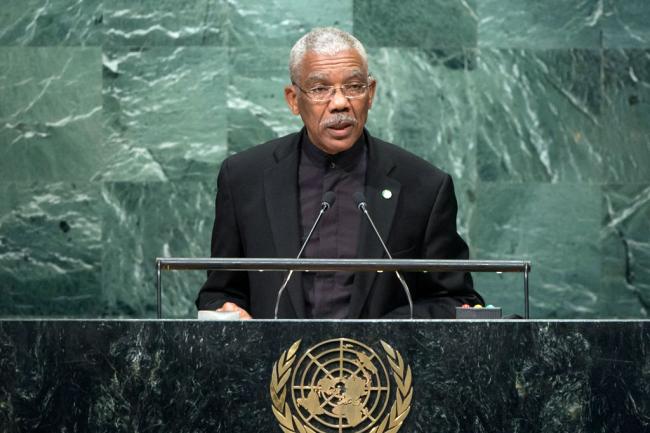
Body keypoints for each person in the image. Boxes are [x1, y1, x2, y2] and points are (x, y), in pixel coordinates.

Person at [196, 27, 483, 319]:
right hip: (276, 350)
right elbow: (219, 291)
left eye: (354, 86)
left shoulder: (423, 186)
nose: (339, 103)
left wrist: (388, 331)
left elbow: (457, 299)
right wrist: (228, 312)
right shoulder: (245, 178)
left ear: (371, 93)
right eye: (320, 89)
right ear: (293, 99)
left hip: (382, 350)